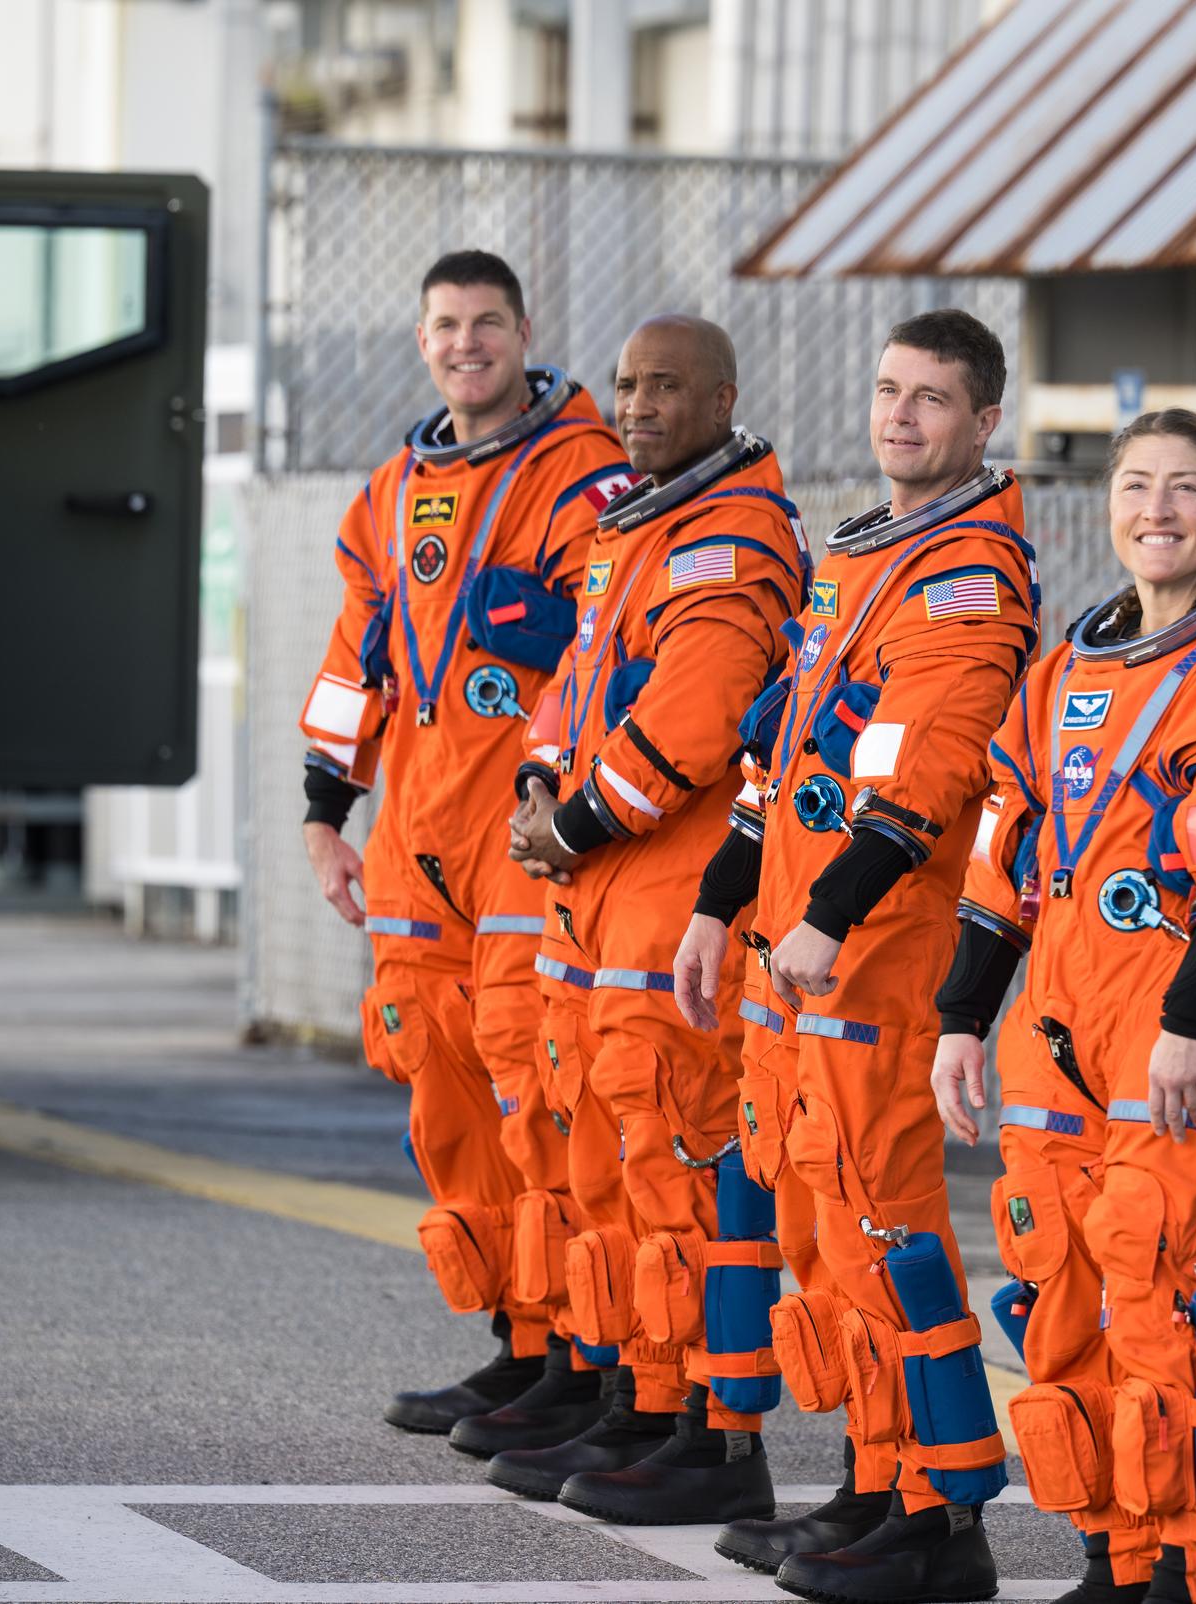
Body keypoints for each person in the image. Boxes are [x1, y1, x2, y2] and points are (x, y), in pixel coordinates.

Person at [931, 409, 1196, 1604]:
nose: (1158, 509)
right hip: (1055, 1038)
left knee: (1162, 1303)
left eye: (1187, 487)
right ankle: (1116, 1554)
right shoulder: (1063, 673)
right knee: (1060, 1299)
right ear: (1108, 504)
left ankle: (1189, 1573)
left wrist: (1190, 1022)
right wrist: (961, 1018)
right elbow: (1004, 863)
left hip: (1175, 1041)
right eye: (1137, 485)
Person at [671, 309, 1036, 1602]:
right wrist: (719, 904)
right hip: (800, 960)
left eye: (931, 398)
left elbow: (924, 778)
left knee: (889, 1236)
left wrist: (827, 916)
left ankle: (943, 1522)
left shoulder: (968, 577)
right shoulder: (862, 554)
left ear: (983, 421)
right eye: (889, 390)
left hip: (875, 960)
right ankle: (872, 1483)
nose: (902, 415)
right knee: (825, 1243)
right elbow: (785, 760)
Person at [299, 250, 632, 1438]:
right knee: (442, 1093)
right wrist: (324, 812)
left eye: (487, 322)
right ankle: (517, 1337)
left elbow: (612, 641)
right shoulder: (392, 491)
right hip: (414, 829)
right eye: (446, 324)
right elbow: (354, 661)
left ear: (525, 332)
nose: (466, 343)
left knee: (539, 1087)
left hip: (526, 831)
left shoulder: (587, 474)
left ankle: (583, 1351)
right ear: (422, 338)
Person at [485, 315, 809, 1522]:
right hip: (600, 906)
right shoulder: (637, 527)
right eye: (625, 384)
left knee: (678, 1172)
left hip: (669, 902)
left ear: (722, 399)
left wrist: (571, 822)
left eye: (665, 386)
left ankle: (716, 1437)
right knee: (613, 1172)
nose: (636, 404)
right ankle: (639, 1396)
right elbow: (573, 685)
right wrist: (539, 778)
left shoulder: (730, 538)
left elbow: (695, 717)